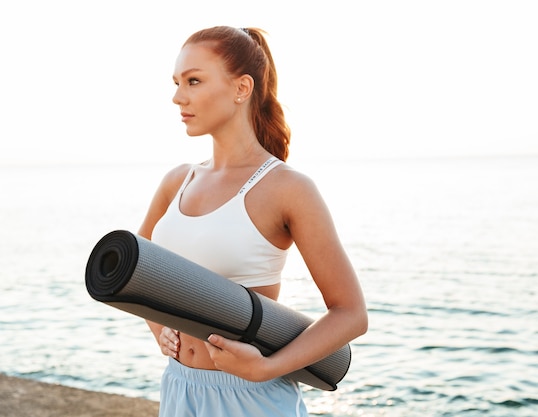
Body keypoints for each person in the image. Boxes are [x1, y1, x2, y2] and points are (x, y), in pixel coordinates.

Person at [137, 26, 368, 416]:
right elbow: (135, 271)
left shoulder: (287, 188)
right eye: (177, 82)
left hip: (252, 399)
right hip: (179, 387)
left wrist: (268, 368)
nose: (178, 96)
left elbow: (350, 313)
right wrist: (160, 331)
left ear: (242, 88)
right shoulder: (178, 181)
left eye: (194, 81)